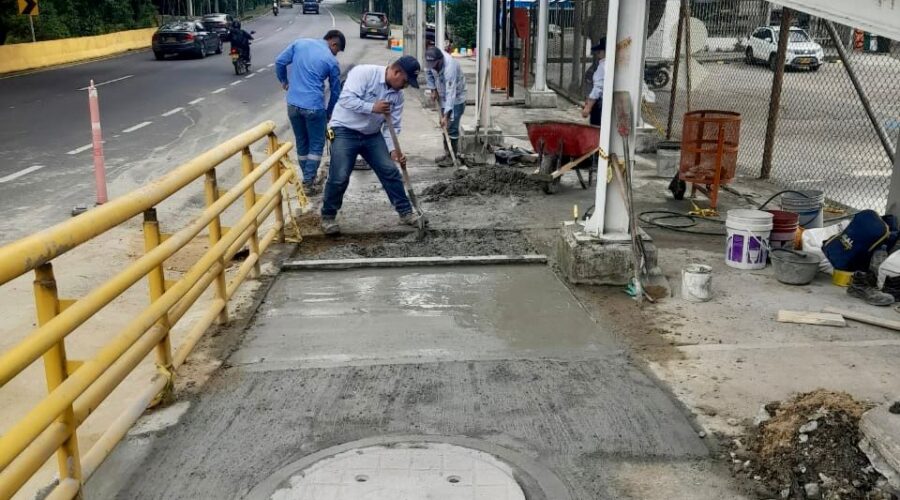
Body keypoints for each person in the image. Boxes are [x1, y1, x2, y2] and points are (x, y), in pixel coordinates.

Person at [320, 56, 423, 235]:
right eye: (405, 82)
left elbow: (392, 127)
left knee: (389, 170)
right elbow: (345, 99)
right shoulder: (364, 73)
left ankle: (406, 212)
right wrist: (371, 107)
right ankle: (328, 217)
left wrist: (393, 150)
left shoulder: (397, 96)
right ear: (396, 72)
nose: (405, 86)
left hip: (372, 135)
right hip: (344, 129)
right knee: (340, 175)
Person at [275, 30, 346, 192]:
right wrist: (329, 113)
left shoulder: (299, 43)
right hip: (314, 107)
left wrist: (284, 81)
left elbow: (279, 62)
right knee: (316, 144)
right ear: (333, 43)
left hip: (293, 104)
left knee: (302, 142)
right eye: (337, 50)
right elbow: (336, 92)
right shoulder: (331, 61)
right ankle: (308, 182)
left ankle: (307, 178)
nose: (336, 54)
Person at [424, 46, 466, 168]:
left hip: (456, 97)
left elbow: (451, 93)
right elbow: (428, 73)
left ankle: (453, 156)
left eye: (435, 65)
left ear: (440, 60)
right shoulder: (431, 61)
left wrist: (446, 116)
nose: (433, 67)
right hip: (442, 95)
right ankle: (447, 154)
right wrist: (433, 89)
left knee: (451, 126)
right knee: (444, 126)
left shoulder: (450, 67)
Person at [582, 38, 606, 126]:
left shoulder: (603, 66)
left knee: (596, 129)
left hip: (601, 105)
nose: (598, 53)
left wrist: (588, 107)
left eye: (600, 50)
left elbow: (598, 89)